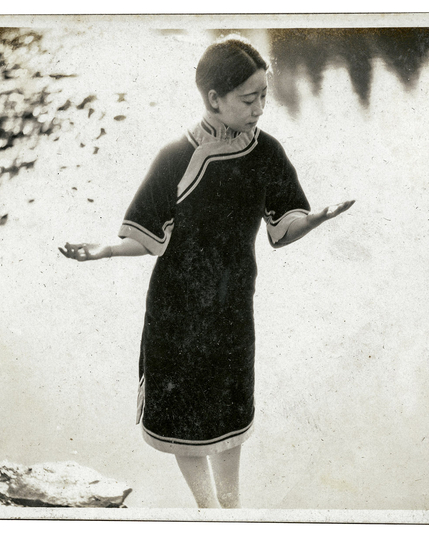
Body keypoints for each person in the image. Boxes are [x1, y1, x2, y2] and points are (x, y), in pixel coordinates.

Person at [59, 35, 354, 509]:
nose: (260, 108)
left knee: (230, 409)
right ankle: (207, 509)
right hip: (177, 310)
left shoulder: (267, 152)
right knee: (184, 416)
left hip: (233, 304)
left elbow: (282, 228)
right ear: (214, 98)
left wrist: (314, 219)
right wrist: (104, 250)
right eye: (248, 98)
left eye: (264, 96)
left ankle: (231, 506)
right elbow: (148, 237)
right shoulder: (176, 156)